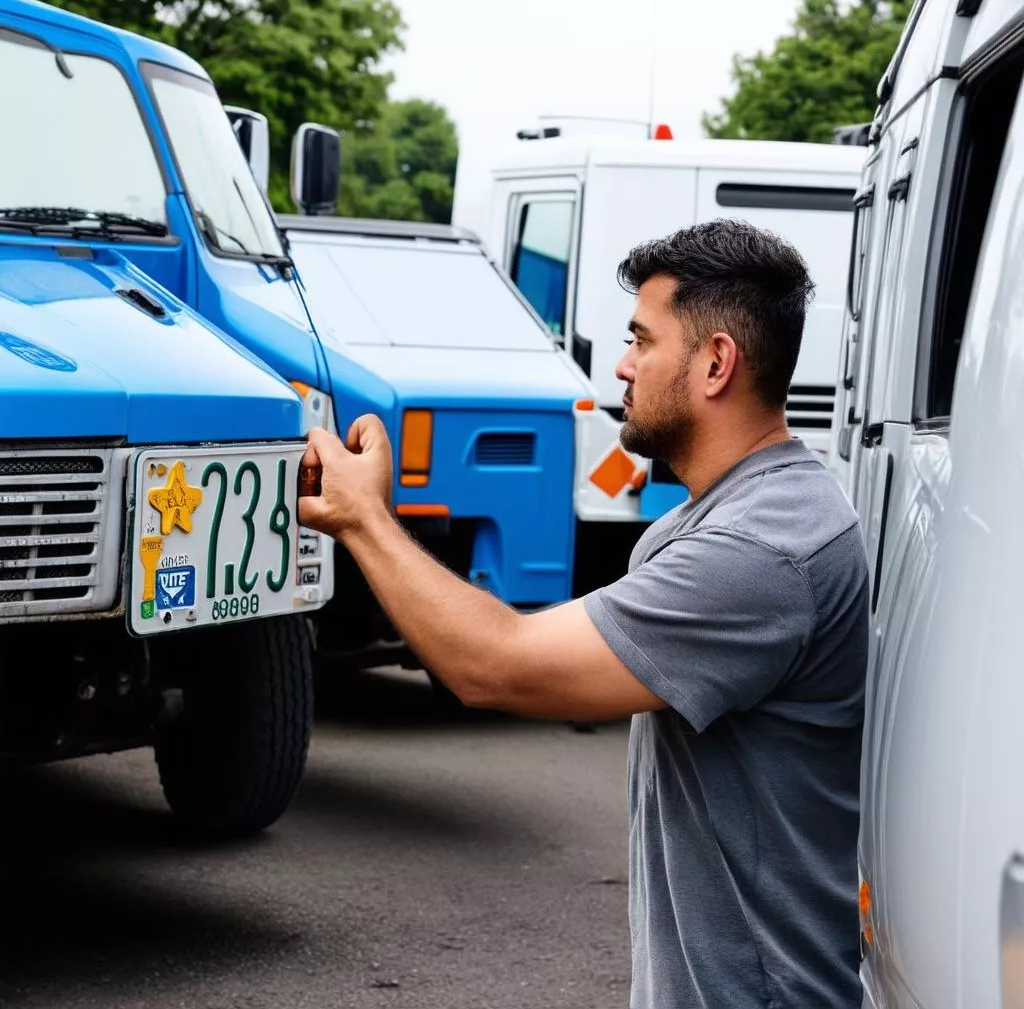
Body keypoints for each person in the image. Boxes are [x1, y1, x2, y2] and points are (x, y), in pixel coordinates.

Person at [298, 219, 868, 1009]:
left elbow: (496, 666)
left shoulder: (761, 550)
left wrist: (363, 518)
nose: (623, 366)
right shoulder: (705, 523)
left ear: (714, 363)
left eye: (642, 340)